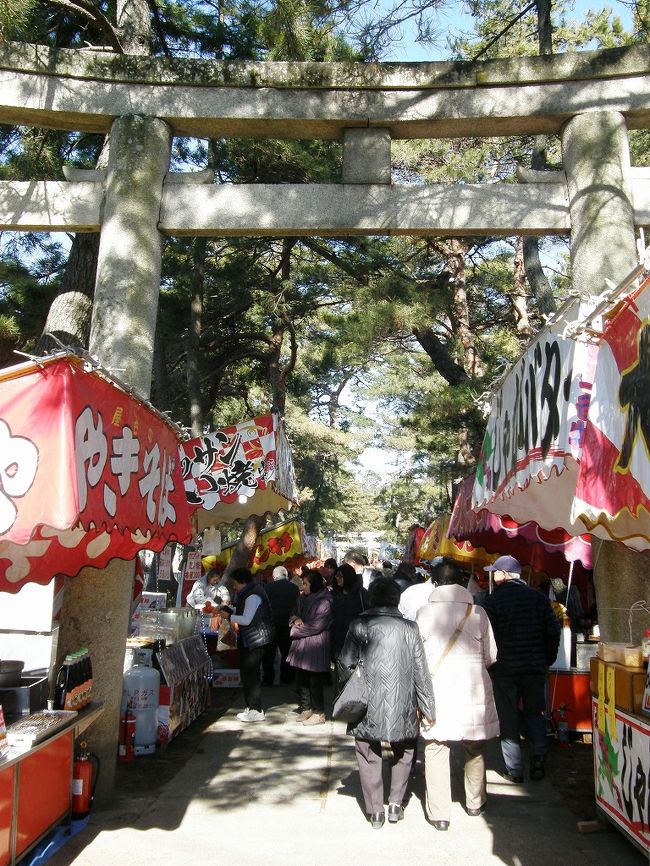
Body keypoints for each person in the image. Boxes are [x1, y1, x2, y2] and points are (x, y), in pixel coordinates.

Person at [336, 578, 435, 829]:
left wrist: (349, 687)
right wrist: (428, 706)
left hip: (368, 699)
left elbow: (345, 662)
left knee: (367, 751)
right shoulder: (410, 628)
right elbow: (420, 671)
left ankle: (375, 810)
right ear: (396, 599)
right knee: (406, 749)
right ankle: (395, 803)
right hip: (404, 699)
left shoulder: (360, 624)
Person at [416, 557, 499, 831]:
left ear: (435, 582)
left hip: (437, 689)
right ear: (462, 582)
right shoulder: (478, 613)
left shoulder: (424, 613)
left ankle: (440, 814)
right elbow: (491, 656)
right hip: (472, 687)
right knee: (474, 746)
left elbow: (416, 657)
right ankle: (475, 802)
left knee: (436, 747)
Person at [477, 555, 561, 783]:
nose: (492, 575)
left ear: (504, 574)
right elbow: (553, 631)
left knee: (508, 717)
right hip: (534, 668)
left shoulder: (492, 602)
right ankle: (538, 760)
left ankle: (514, 769)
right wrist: (546, 659)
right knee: (535, 713)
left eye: (495, 572)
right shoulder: (539, 598)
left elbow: (487, 636)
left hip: (504, 668)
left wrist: (490, 663)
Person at [219, 567, 275, 723]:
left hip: (256, 639)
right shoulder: (250, 592)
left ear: (242, 582)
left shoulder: (253, 595)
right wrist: (232, 609)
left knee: (251, 675)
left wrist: (229, 616)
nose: (234, 587)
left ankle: (256, 709)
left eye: (235, 584)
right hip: (251, 639)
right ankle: (251, 707)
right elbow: (245, 612)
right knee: (248, 674)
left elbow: (246, 619)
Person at [287, 569, 334, 725]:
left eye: (306, 584)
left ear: (313, 584)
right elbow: (293, 613)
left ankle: (319, 712)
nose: (303, 587)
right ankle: (306, 708)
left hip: (316, 644)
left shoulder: (324, 601)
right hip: (302, 644)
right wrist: (295, 619)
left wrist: (295, 630)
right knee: (302, 679)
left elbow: (317, 626)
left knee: (315, 681)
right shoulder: (302, 598)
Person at [262, 565, 301, 686]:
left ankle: (268, 679)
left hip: (272, 624)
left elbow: (264, 606)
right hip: (288, 624)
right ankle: (287, 678)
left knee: (269, 653)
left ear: (274, 576)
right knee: (287, 652)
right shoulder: (294, 588)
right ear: (286, 575)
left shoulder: (268, 587)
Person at [330, 563, 369, 664]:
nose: (337, 578)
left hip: (354, 640)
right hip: (336, 639)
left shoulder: (362, 593)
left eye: (340, 576)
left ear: (348, 577)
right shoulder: (334, 593)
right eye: (336, 575)